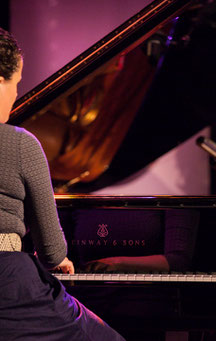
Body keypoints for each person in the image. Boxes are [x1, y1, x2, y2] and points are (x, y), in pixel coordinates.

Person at [0, 27, 125, 340]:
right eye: (16, 82)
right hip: (8, 283)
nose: (17, 94)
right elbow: (52, 251)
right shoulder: (19, 144)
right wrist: (59, 260)